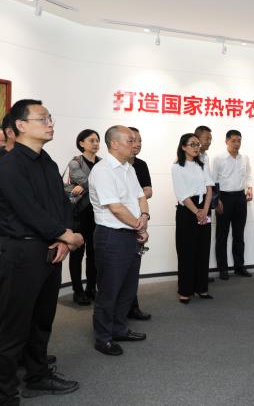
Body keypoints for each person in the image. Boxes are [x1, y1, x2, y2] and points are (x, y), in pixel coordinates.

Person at [0, 99, 84, 403]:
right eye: (42, 118)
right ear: (21, 125)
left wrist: (63, 239)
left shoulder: (46, 161)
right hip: (22, 254)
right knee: (13, 327)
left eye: (50, 118)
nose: (50, 124)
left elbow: (61, 204)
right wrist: (68, 236)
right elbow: (28, 210)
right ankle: (5, 392)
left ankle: (37, 376)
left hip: (50, 250)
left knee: (42, 320)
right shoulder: (9, 165)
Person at [89, 126, 149, 356]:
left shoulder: (128, 168)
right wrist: (138, 225)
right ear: (114, 144)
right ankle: (103, 338)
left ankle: (119, 328)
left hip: (131, 234)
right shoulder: (102, 170)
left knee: (127, 288)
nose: (135, 144)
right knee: (109, 290)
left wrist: (144, 218)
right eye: (130, 140)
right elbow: (115, 207)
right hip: (111, 237)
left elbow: (141, 197)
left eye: (136, 140)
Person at [171, 134, 214, 303]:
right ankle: (185, 290)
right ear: (183, 147)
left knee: (203, 249)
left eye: (198, 144)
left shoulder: (202, 165)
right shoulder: (177, 167)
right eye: (192, 144)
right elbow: (182, 194)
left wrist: (205, 210)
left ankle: (201, 288)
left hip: (204, 207)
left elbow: (209, 188)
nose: (196, 147)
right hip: (187, 210)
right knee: (186, 251)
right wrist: (197, 212)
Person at [212, 129, 253, 279]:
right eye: (233, 141)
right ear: (226, 141)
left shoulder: (244, 157)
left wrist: (249, 188)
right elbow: (213, 180)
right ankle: (223, 269)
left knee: (239, 234)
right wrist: (216, 199)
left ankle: (239, 266)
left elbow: (248, 175)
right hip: (224, 198)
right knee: (222, 235)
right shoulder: (218, 158)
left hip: (240, 198)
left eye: (239, 141)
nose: (237, 144)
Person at [67, 129, 101, 306]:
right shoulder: (75, 162)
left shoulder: (102, 162)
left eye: (97, 140)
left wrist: (85, 185)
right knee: (77, 253)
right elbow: (90, 182)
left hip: (98, 214)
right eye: (91, 140)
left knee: (94, 254)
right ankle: (78, 291)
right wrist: (88, 184)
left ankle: (91, 289)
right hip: (79, 214)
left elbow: (90, 183)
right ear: (81, 143)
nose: (95, 143)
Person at [125, 127, 152, 321]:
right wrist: (138, 195)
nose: (137, 144)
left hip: (139, 219)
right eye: (133, 140)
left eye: (140, 141)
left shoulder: (140, 165)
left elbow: (148, 191)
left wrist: (138, 199)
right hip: (117, 224)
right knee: (117, 270)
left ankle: (132, 306)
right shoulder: (108, 167)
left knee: (133, 267)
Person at [194, 125, 215, 283]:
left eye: (210, 139)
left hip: (206, 203)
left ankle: (202, 275)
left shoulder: (206, 156)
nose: (209, 142)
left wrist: (208, 205)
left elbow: (208, 182)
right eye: (206, 138)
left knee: (204, 240)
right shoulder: (186, 159)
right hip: (193, 204)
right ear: (197, 138)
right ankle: (193, 276)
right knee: (193, 241)